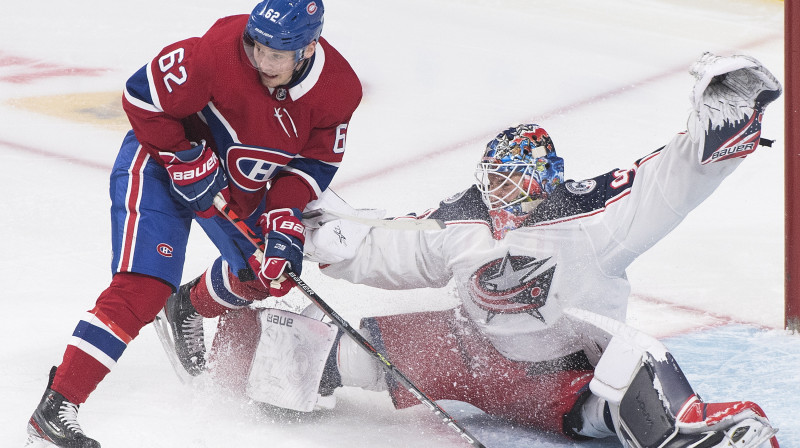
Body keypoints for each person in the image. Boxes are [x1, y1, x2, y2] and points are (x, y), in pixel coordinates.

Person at [201, 52, 781, 448]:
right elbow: (390, 248)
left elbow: (665, 183)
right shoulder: (466, 220)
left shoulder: (595, 218)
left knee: (633, 361)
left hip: (567, 382)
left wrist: (719, 125)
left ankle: (687, 432)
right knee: (338, 344)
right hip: (479, 363)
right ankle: (237, 362)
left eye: (513, 182)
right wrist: (310, 229)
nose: (499, 195)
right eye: (493, 181)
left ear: (542, 180)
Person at [26, 0, 361, 446]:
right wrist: (180, 154)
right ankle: (56, 407)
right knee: (143, 286)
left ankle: (187, 305)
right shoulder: (218, 51)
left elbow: (310, 166)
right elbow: (140, 95)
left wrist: (284, 216)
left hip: (232, 182)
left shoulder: (340, 90)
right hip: (160, 165)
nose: (262, 61)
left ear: (308, 48)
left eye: (276, 55)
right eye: (256, 46)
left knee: (269, 274)